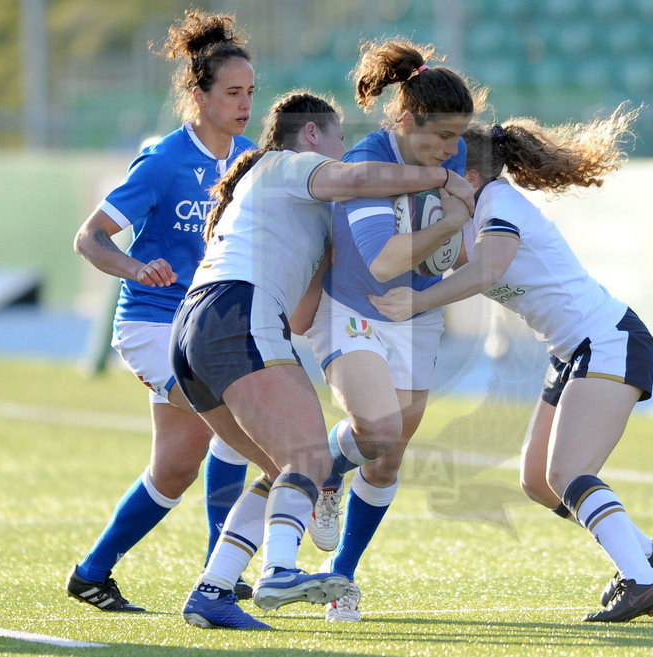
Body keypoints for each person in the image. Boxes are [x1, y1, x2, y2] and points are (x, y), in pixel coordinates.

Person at [169, 89, 476, 630]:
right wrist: (441, 179)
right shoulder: (286, 165)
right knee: (310, 455)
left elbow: (303, 317)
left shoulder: (299, 211)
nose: (345, 150)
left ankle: (212, 591)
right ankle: (279, 571)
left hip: (195, 331)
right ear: (312, 135)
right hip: (239, 311)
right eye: (339, 139)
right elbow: (357, 178)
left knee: (284, 469)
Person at [369, 105, 653, 623]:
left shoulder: (498, 201)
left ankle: (640, 581)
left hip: (607, 338)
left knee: (568, 472)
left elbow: (488, 269)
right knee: (538, 481)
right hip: (571, 349)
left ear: (468, 177)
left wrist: (418, 301)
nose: (433, 177)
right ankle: (643, 550)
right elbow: (428, 259)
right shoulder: (469, 214)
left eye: (442, 167)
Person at [68, 9, 271, 612]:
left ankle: (91, 574)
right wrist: (135, 267)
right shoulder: (163, 160)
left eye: (250, 92)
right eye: (232, 93)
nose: (245, 104)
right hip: (153, 326)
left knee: (176, 468)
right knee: (240, 424)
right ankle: (222, 577)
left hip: (208, 329)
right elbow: (89, 238)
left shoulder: (250, 160)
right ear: (199, 95)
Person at [302, 38, 484, 622]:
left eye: (459, 137)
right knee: (376, 429)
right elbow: (382, 262)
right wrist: (453, 219)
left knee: (387, 458)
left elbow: (455, 246)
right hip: (354, 308)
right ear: (406, 122)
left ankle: (342, 576)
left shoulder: (451, 154)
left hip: (415, 316)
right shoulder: (366, 162)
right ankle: (324, 471)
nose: (453, 150)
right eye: (443, 137)